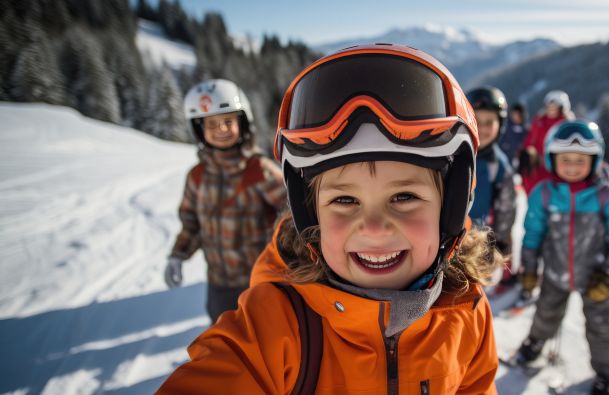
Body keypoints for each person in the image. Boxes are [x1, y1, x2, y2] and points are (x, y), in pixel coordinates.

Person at [157, 44, 505, 394]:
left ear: (451, 209)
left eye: (404, 197)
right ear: (311, 216)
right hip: (224, 277)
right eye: (344, 199)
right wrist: (180, 251)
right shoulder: (279, 326)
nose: (373, 227)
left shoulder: (467, 309)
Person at [513, 121, 609, 395]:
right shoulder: (544, 194)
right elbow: (532, 235)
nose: (572, 166)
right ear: (551, 159)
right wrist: (530, 270)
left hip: (596, 278)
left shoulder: (607, 196)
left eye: (580, 160)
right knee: (546, 314)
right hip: (556, 274)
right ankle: (535, 343)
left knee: (599, 325)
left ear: (594, 160)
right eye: (565, 159)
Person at [164, 79, 286, 324]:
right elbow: (191, 224)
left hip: (260, 279)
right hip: (219, 284)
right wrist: (177, 255)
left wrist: (289, 255)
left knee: (266, 338)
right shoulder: (197, 176)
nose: (221, 129)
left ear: (242, 122)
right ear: (199, 130)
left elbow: (292, 212)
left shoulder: (258, 169)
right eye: (212, 124)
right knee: (225, 339)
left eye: (228, 121)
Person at [465, 86, 517, 287]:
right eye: (478, 121)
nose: (483, 128)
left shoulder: (499, 165)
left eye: (490, 122)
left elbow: (506, 208)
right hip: (445, 237)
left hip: (477, 242)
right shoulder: (453, 154)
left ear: (500, 124)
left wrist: (501, 242)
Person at [520, 90, 575, 194]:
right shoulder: (539, 121)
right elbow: (530, 139)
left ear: (562, 108)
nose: (551, 109)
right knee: (533, 188)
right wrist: (527, 153)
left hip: (555, 163)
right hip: (536, 163)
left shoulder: (566, 124)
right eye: (549, 106)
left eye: (555, 106)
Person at [499, 102, 529, 169]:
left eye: (519, 114)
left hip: (523, 162)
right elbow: (500, 143)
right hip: (507, 161)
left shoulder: (527, 130)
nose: (516, 117)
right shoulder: (504, 128)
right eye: (514, 114)